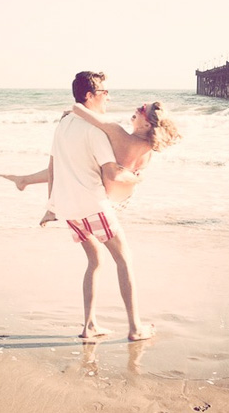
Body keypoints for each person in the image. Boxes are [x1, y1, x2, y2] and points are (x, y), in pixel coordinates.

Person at [45, 71, 155, 341]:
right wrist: (137, 179)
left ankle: (89, 326)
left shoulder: (63, 124)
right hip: (92, 205)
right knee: (124, 258)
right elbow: (112, 174)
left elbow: (53, 168)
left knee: (94, 261)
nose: (109, 96)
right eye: (104, 92)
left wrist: (51, 206)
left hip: (68, 208)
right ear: (89, 96)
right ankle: (135, 328)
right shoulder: (96, 130)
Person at [1, 98, 180, 223]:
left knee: (74, 165)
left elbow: (78, 108)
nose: (136, 109)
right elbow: (128, 175)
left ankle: (31, 187)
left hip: (101, 201)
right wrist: (137, 178)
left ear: (147, 125)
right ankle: (25, 180)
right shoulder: (150, 149)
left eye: (141, 110)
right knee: (82, 164)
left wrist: (71, 114)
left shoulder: (117, 132)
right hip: (122, 202)